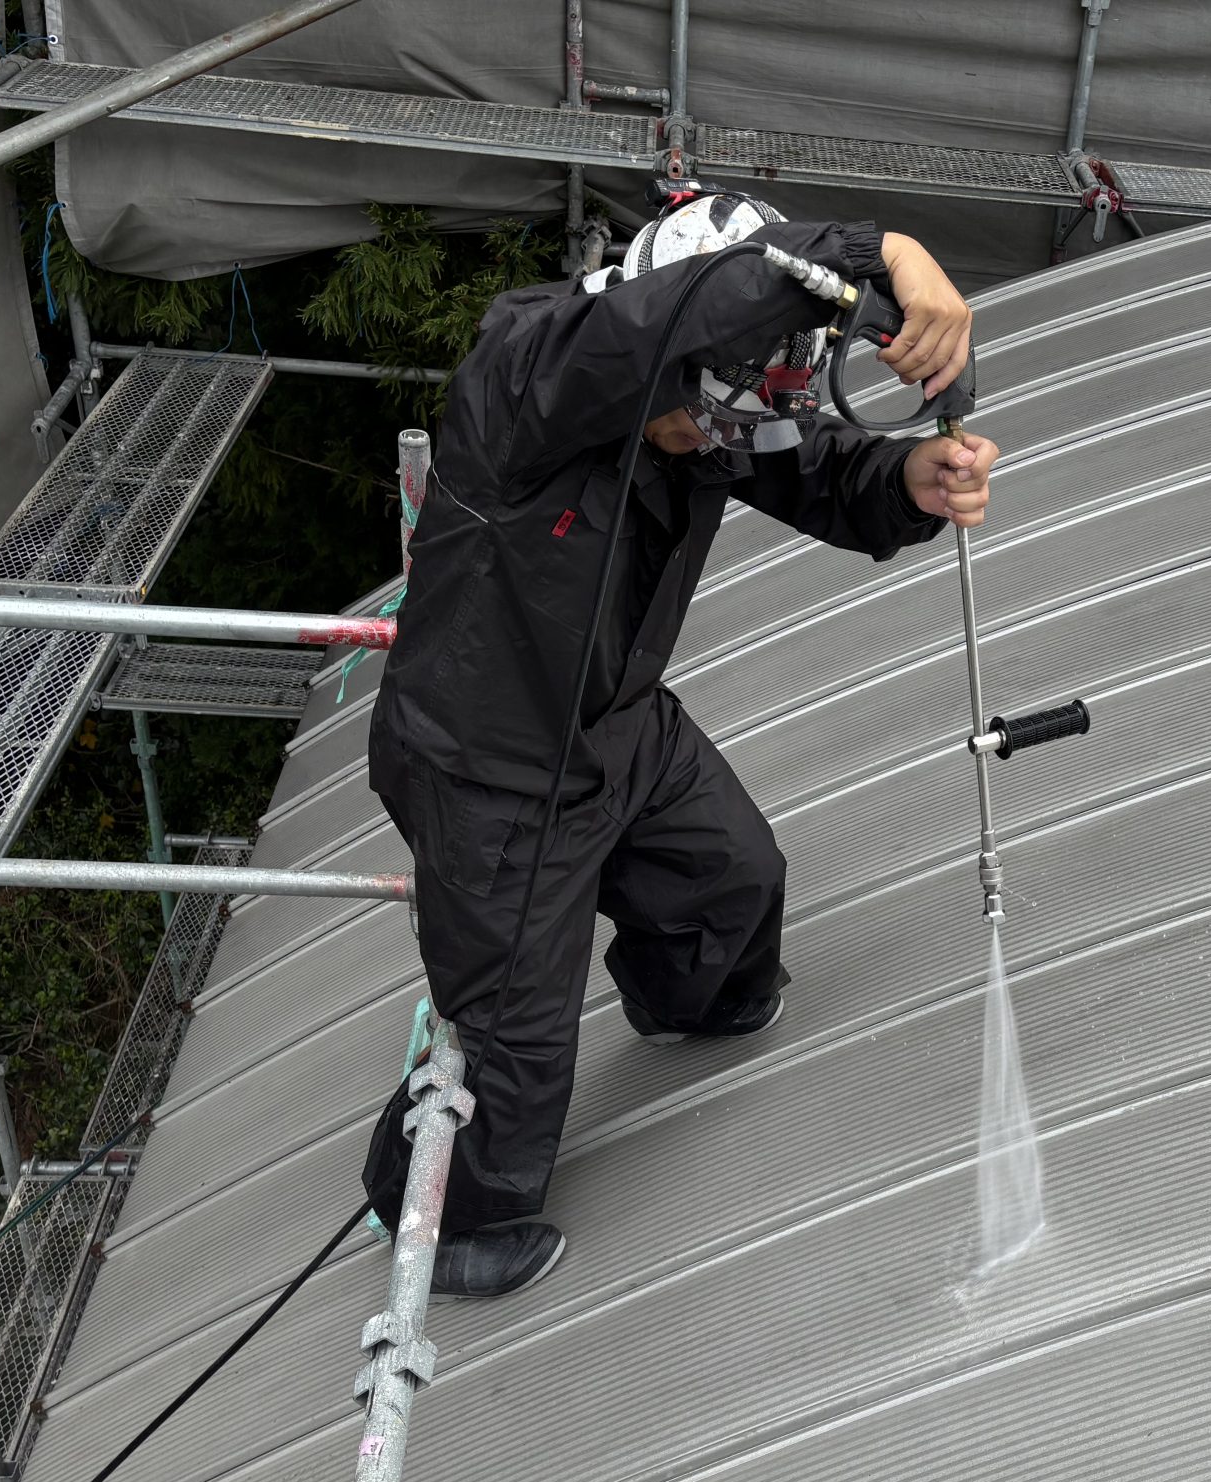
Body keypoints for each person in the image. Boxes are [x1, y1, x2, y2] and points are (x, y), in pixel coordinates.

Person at [360, 191, 998, 1297]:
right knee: (511, 1064)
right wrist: (882, 251)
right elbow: (684, 312)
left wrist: (908, 482)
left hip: (619, 727)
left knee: (733, 887)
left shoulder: (702, 414)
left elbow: (805, 467)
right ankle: (447, 1227)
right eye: (710, 406)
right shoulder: (538, 368)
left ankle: (683, 1002)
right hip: (490, 771)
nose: (719, 436)